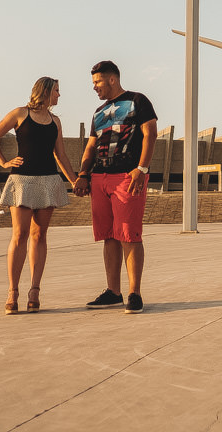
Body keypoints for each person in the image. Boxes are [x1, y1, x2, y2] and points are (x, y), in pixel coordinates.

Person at [0, 76, 80, 315]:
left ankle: (35, 291)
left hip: (48, 180)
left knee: (40, 235)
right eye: (57, 91)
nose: (59, 95)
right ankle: (13, 291)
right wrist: (4, 162)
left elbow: (61, 155)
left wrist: (74, 181)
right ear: (46, 91)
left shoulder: (55, 121)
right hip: (22, 180)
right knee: (20, 235)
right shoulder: (20, 113)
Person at [75, 60, 157, 314]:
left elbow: (150, 133)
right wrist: (83, 174)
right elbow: (91, 146)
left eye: (97, 82)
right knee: (109, 236)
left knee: (129, 234)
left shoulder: (137, 100)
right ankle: (113, 292)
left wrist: (142, 168)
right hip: (99, 178)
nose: (94, 87)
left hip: (127, 176)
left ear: (112, 79)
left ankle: (135, 293)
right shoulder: (99, 112)